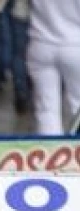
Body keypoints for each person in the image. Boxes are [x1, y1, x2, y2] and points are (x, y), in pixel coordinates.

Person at [26, 0, 80, 134]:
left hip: (40, 42)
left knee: (46, 111)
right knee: (77, 105)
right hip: (75, 44)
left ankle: (51, 151)